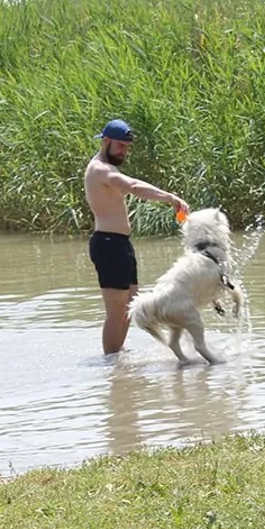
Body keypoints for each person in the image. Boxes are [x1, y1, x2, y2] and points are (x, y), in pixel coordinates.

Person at [84, 119, 188, 355]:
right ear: (106, 141)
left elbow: (130, 183)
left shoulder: (108, 167)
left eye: (127, 147)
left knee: (130, 305)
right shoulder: (100, 169)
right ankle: (111, 365)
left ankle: (117, 355)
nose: (124, 151)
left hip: (120, 244)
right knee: (115, 312)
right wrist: (170, 197)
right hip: (108, 245)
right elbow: (131, 185)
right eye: (120, 146)